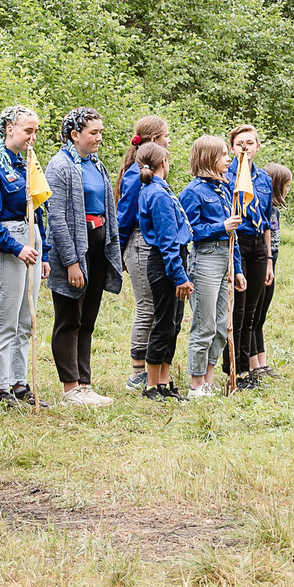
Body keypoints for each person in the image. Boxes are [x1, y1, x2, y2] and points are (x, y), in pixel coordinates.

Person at [42, 108, 118, 405]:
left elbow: (107, 207)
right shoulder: (60, 166)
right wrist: (71, 262)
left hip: (98, 244)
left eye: (100, 132)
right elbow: (57, 218)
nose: (99, 138)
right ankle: (70, 387)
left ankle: (85, 384)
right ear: (74, 135)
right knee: (69, 317)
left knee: (88, 318)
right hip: (74, 247)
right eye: (93, 133)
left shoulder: (96, 165)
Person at [0, 106, 47, 406]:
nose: (33, 137)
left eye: (35, 131)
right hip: (10, 245)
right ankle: (0, 387)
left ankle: (20, 383)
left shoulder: (26, 164)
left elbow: (38, 210)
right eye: (27, 131)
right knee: (6, 318)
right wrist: (16, 248)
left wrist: (45, 253)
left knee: (26, 319)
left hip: (32, 239)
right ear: (9, 129)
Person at [177, 135, 246, 399]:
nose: (229, 159)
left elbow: (233, 236)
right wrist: (220, 226)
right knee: (204, 323)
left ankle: (208, 379)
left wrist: (237, 269)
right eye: (223, 155)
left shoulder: (224, 189)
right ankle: (196, 384)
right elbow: (189, 231)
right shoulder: (192, 192)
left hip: (225, 257)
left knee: (221, 324)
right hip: (205, 258)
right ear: (208, 158)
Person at [131, 141, 194, 400]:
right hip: (166, 262)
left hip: (172, 259)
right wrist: (179, 276)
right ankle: (151, 385)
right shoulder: (157, 195)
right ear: (163, 163)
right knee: (163, 323)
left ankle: (164, 383)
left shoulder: (159, 190)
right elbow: (168, 241)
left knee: (174, 324)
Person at [116, 114, 169, 392]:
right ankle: (138, 371)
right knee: (147, 306)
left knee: (156, 306)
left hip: (151, 243)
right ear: (154, 139)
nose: (169, 140)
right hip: (139, 243)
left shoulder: (149, 172)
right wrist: (119, 251)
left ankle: (154, 366)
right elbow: (124, 216)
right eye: (166, 136)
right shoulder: (135, 175)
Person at [225, 126, 274, 387]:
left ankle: (247, 369)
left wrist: (268, 258)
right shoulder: (227, 176)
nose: (245, 148)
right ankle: (234, 367)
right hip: (237, 243)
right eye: (240, 144)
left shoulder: (264, 179)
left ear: (258, 146)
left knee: (252, 311)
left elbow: (266, 221)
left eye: (250, 143)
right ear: (232, 148)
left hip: (257, 246)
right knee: (238, 309)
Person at [242, 163, 290, 385]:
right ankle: (252, 363)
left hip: (271, 263)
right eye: (286, 185)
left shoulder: (275, 211)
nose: (288, 190)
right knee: (252, 314)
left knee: (260, 316)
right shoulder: (262, 211)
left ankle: (262, 361)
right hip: (260, 262)